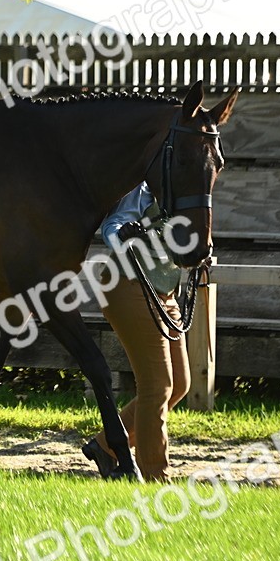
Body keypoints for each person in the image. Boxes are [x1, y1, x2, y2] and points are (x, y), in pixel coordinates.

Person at [84, 181, 190, 482]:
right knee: (157, 386)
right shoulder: (141, 185)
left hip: (164, 289)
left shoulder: (184, 187)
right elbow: (111, 226)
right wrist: (126, 236)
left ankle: (106, 445)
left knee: (180, 384)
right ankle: (156, 475)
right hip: (127, 283)